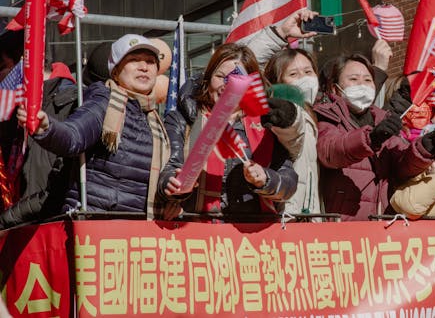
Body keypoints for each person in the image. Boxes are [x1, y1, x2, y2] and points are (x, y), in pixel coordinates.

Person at [17, 34, 171, 218]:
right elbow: (74, 136)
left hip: (136, 234)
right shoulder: (103, 101)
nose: (144, 67)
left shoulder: (156, 119)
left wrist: (173, 200)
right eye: (134, 60)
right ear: (115, 71)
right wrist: (48, 128)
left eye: (150, 62)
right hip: (97, 229)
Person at [158, 43, 298, 219]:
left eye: (236, 79)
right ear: (208, 80)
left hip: (253, 232)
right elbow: (167, 169)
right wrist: (172, 183)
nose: (227, 85)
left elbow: (289, 181)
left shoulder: (268, 123)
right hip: (198, 230)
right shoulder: (184, 119)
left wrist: (266, 179)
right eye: (220, 76)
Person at [313, 53, 435, 221]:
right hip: (343, 226)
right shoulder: (326, 117)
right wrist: (370, 139)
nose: (362, 85)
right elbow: (331, 151)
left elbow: (402, 166)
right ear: (335, 88)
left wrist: (423, 150)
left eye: (367, 80)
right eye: (354, 79)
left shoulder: (382, 118)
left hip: (382, 225)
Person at [0, 61, 78, 228]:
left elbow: (57, 189)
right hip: (17, 228)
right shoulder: (13, 115)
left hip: (48, 228)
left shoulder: (74, 105)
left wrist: (6, 220)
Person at [263, 47, 321, 216]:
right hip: (290, 215)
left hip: (310, 214)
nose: (304, 78)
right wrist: (288, 114)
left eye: (308, 71)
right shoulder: (281, 114)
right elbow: (294, 131)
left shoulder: (314, 112)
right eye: (294, 74)